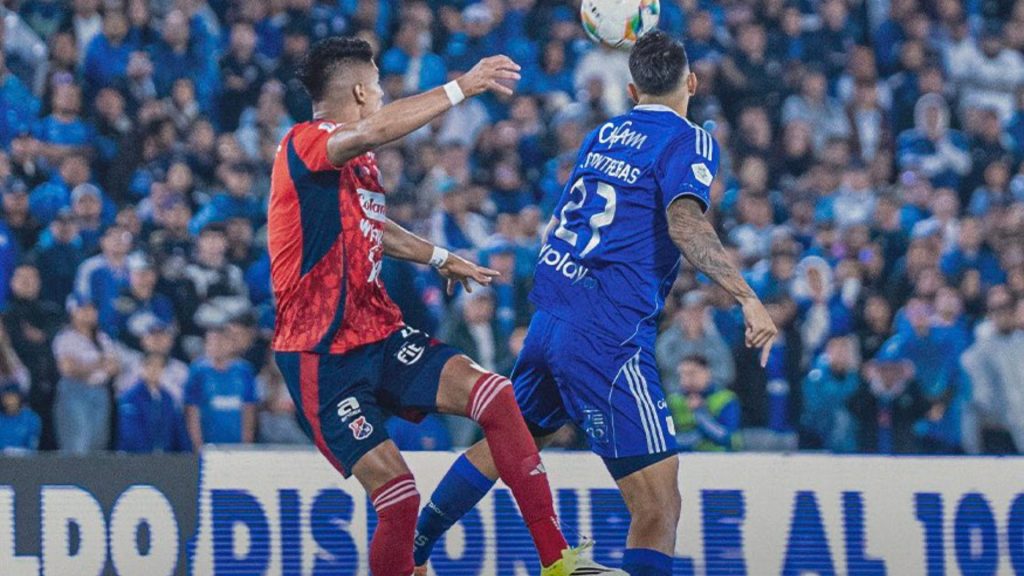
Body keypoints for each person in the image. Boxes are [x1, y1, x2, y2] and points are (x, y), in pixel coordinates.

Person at [414, 32, 777, 576]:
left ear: (631, 90)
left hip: (552, 317)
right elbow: (684, 222)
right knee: (659, 505)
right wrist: (747, 296)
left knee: (508, 444)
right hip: (609, 334)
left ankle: (412, 549)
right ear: (692, 83)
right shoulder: (692, 140)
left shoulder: (602, 134)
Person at [267, 37, 614, 576]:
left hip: (378, 333)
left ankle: (557, 561)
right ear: (358, 92)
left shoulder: (355, 165)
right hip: (322, 356)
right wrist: (462, 87)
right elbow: (371, 131)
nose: (382, 93)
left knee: (496, 396)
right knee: (399, 498)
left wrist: (439, 257)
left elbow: (371, 223)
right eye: (377, 84)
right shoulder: (305, 142)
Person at [52, 294, 120, 454]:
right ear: (73, 312)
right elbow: (67, 369)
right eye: (83, 309)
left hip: (100, 391)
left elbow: (114, 367)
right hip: (75, 391)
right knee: (78, 442)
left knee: (98, 443)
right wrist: (98, 363)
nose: (88, 313)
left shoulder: (102, 338)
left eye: (92, 309)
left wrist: (85, 365)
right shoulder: (65, 338)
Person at [184, 325, 258, 448]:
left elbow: (249, 408)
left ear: (231, 344)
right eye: (212, 342)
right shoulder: (198, 371)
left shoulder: (244, 371)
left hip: (237, 445)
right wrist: (198, 446)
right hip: (209, 444)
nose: (217, 346)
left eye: (221, 341)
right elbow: (192, 411)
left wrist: (246, 443)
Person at [117, 353, 189, 453]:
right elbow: (130, 432)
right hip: (136, 457)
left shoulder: (168, 398)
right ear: (142, 367)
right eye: (150, 365)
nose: (154, 370)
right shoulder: (130, 397)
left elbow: (177, 428)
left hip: (164, 457)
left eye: (159, 366)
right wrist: (148, 455)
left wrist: (185, 452)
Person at [667, 355, 741, 452]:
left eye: (692, 374)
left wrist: (699, 413)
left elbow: (727, 438)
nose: (687, 380)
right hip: (683, 457)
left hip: (719, 457)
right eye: (682, 375)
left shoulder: (726, 399)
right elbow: (666, 441)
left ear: (707, 373)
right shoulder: (673, 401)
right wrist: (696, 438)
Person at [0, 382, 41, 452]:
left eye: (13, 397)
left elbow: (32, 447)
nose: (10, 401)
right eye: (7, 397)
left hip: (24, 458)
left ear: (19, 398)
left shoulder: (31, 419)